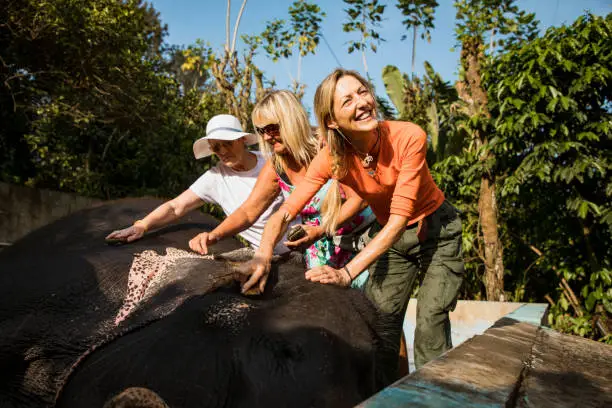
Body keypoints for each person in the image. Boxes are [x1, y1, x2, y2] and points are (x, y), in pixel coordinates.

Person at [242, 69, 464, 382]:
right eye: (347, 100)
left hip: (436, 232)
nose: (362, 102)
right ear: (331, 120)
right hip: (395, 242)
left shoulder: (408, 137)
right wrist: (263, 257)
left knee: (429, 324)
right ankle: (386, 397)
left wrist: (347, 273)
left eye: (363, 92)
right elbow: (285, 212)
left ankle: (440, 396)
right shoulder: (333, 158)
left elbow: (400, 217)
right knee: (381, 322)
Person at [188, 90, 375, 289]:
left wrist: (322, 228)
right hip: (322, 254)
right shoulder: (277, 165)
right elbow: (249, 211)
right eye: (261, 131)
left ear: (291, 120)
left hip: (365, 243)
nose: (267, 137)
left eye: (272, 128)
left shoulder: (331, 145)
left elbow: (363, 196)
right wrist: (215, 236)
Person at [106, 114, 287, 254]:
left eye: (227, 144)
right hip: (269, 254)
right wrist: (142, 225)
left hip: (304, 245)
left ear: (242, 140)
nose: (222, 151)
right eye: (216, 147)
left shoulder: (272, 161)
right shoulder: (215, 177)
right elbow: (176, 206)